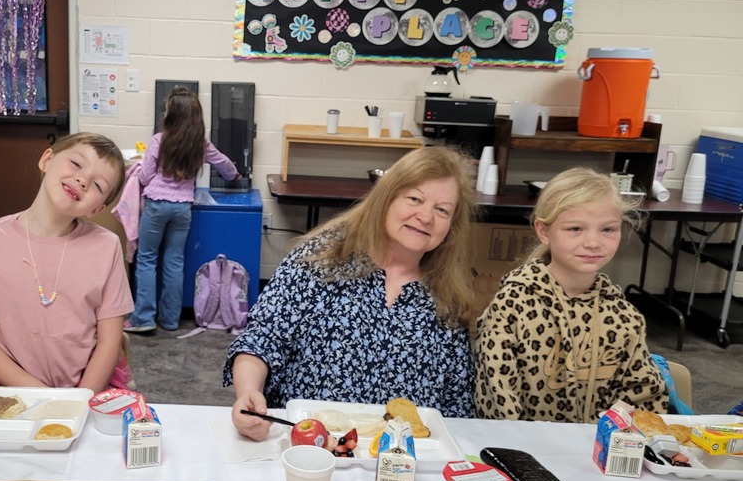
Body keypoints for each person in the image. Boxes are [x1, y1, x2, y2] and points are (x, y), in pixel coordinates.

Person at [226, 146, 479, 441]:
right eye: (415, 199)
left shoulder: (449, 299)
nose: (425, 217)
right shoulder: (320, 260)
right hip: (311, 449)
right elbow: (262, 339)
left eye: (442, 210)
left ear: (451, 226)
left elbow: (457, 406)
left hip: (402, 465)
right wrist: (249, 393)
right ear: (387, 198)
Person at [474, 166, 668, 422]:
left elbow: (645, 400)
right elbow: (497, 400)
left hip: (600, 455)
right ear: (543, 231)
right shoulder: (512, 305)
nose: (593, 242)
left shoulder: (624, 317)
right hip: (522, 453)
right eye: (575, 228)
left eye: (607, 229)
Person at [0, 133, 134, 392]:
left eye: (98, 186)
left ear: (97, 209)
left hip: (90, 390)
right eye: (77, 164)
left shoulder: (107, 246)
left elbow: (109, 341)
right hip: (15, 390)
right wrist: (43, 397)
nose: (82, 180)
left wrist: (77, 401)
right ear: (47, 159)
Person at [124, 87, 239, 333]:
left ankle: (143, 318)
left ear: (172, 115)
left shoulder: (159, 140)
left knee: (147, 259)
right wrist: (234, 176)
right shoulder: (201, 145)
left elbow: (145, 176)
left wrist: (139, 169)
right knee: (174, 262)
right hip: (182, 208)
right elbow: (226, 165)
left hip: (156, 205)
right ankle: (170, 320)